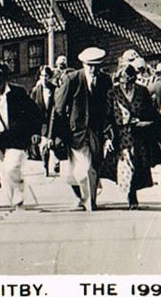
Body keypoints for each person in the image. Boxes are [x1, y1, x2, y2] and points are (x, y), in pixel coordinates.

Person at [50, 46, 112, 211]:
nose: (93, 69)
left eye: (96, 65)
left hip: (97, 131)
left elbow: (109, 108)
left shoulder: (105, 80)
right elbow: (58, 110)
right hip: (76, 132)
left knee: (94, 167)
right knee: (84, 168)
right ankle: (88, 201)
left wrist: (109, 132)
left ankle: (86, 197)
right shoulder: (72, 79)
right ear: (83, 64)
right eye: (89, 65)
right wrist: (55, 136)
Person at [0, 63, 42, 209]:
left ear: (5, 80)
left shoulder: (18, 93)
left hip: (17, 138)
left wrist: (36, 132)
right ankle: (12, 200)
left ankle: (18, 198)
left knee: (11, 167)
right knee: (5, 174)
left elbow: (35, 112)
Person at [103, 63, 161, 209]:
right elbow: (107, 116)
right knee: (127, 164)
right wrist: (108, 135)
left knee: (138, 166)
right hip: (122, 135)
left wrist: (145, 122)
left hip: (139, 134)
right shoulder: (112, 93)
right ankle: (131, 197)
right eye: (123, 82)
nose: (126, 85)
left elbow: (150, 111)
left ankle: (132, 194)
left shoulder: (142, 91)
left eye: (129, 82)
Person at [30, 65, 58, 176]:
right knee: (44, 145)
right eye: (41, 76)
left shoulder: (55, 89)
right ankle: (45, 166)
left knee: (53, 144)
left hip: (53, 120)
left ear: (50, 77)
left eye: (46, 76)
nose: (43, 78)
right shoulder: (35, 91)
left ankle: (56, 161)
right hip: (41, 122)